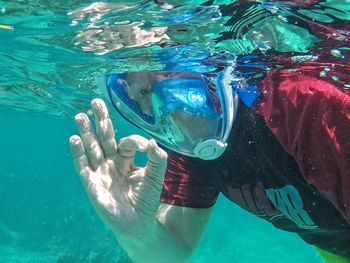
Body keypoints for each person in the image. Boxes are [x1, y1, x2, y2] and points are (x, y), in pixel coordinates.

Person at [69, 2, 350, 263]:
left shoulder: (302, 105)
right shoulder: (186, 150)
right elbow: (172, 252)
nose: (168, 105)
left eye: (169, 73)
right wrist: (136, 232)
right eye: (145, 93)